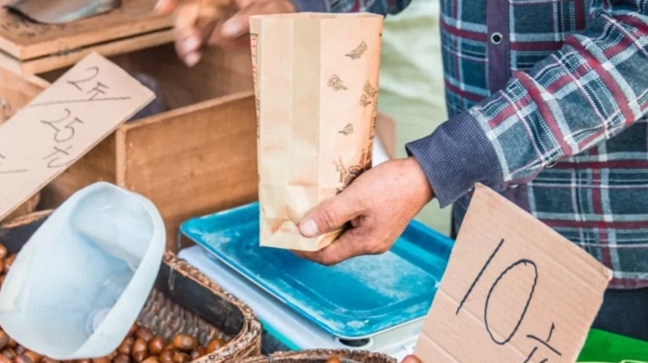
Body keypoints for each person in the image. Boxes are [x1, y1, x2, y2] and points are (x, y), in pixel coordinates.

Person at [155, 0, 648, 342]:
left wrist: (439, 166)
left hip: (614, 244)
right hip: (488, 227)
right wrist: (298, 5)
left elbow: (638, 44)